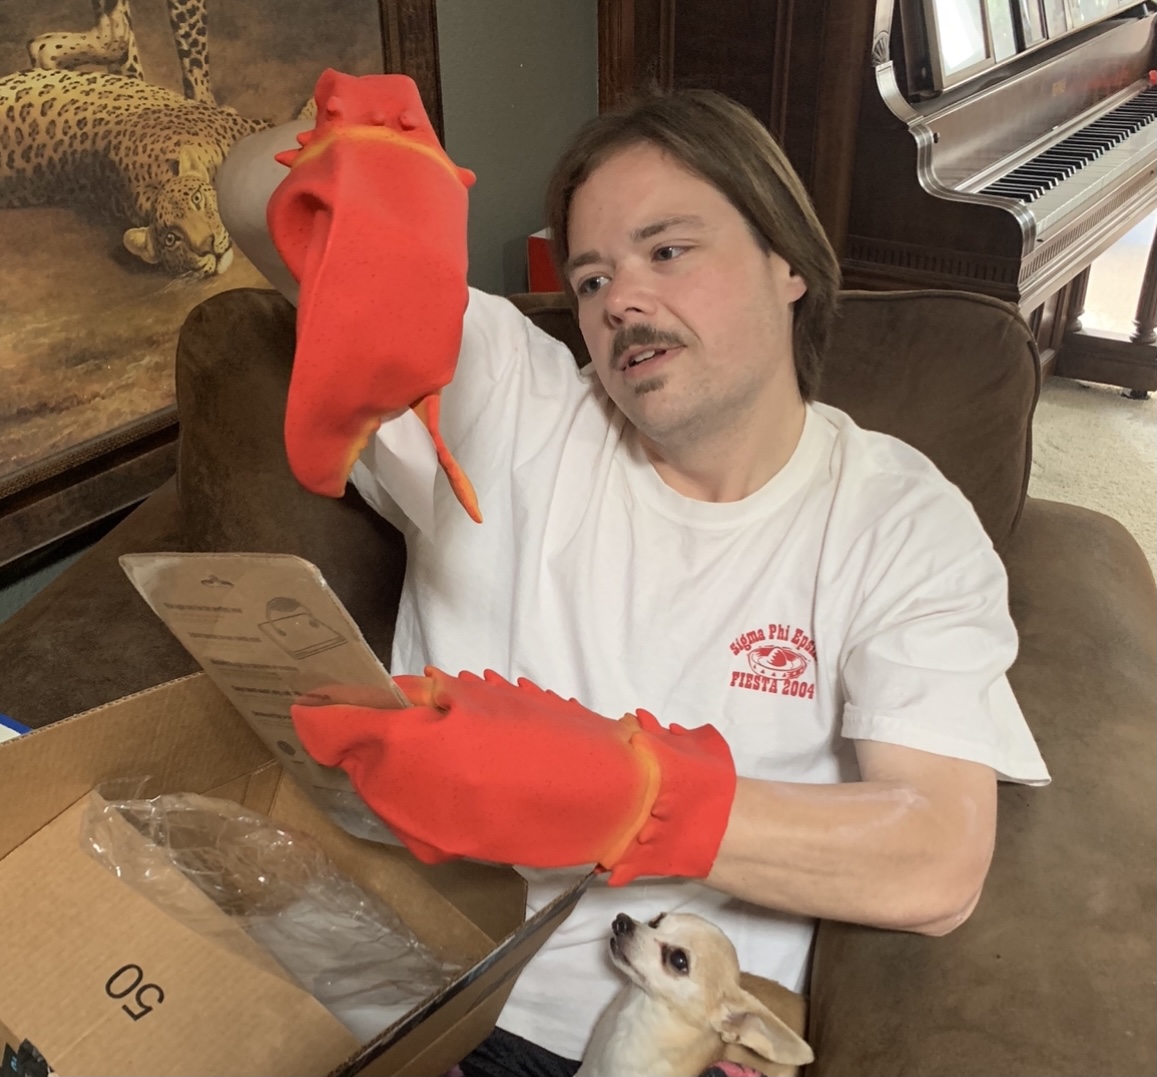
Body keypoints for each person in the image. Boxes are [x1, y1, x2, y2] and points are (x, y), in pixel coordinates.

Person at [215, 86, 1049, 1076]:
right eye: (591, 277)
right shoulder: (507, 404)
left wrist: (639, 800)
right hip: (396, 997)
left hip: (641, 1040)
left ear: (786, 262)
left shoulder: (897, 519)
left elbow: (936, 860)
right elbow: (244, 192)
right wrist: (369, 161)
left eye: (668, 250)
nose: (620, 301)